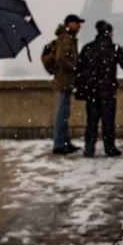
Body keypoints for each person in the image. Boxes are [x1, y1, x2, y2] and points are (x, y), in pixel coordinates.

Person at [76, 20, 123, 157]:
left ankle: (89, 149)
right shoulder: (114, 48)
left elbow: (79, 69)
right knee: (108, 122)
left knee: (91, 122)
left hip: (92, 91)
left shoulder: (88, 48)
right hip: (108, 90)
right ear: (110, 33)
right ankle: (109, 148)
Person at [51, 14, 84, 155]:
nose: (79, 26)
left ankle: (64, 142)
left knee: (64, 113)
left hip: (64, 80)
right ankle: (59, 144)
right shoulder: (66, 39)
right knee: (62, 113)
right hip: (64, 80)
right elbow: (61, 58)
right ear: (70, 24)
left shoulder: (66, 37)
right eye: (77, 23)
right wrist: (74, 68)